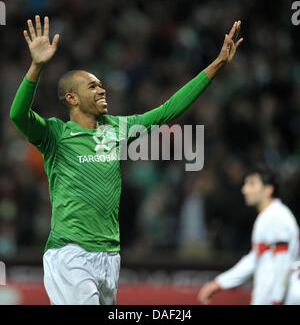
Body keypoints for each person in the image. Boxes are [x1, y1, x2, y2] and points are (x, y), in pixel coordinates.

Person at [10, 15, 243, 305]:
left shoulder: (117, 129)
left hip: (109, 256)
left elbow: (168, 110)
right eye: (92, 86)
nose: (102, 89)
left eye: (101, 85)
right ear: (71, 98)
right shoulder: (56, 135)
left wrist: (218, 64)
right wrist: (36, 67)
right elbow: (18, 115)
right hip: (70, 254)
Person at [198, 165, 300, 305]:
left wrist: (277, 299)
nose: (244, 189)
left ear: (268, 190)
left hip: (283, 297)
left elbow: (282, 260)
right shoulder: (268, 216)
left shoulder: (276, 217)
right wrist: (220, 283)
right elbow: (255, 258)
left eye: (251, 184)